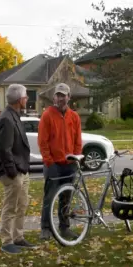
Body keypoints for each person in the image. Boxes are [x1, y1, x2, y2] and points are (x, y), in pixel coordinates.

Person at [0, 84, 33, 254]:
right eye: (25, 96)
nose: (27, 99)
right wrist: (12, 172)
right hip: (12, 171)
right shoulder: (6, 119)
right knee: (10, 207)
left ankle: (18, 237)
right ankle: (7, 241)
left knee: (22, 204)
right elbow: (4, 149)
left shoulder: (15, 115)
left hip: (21, 169)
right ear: (19, 99)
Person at [38, 83, 82, 240]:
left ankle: (64, 227)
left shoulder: (74, 117)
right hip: (53, 165)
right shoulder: (47, 115)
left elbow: (77, 141)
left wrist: (75, 158)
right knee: (49, 197)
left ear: (69, 97)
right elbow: (43, 142)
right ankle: (45, 228)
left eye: (63, 95)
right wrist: (49, 162)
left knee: (66, 198)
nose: (60, 98)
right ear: (54, 97)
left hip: (69, 165)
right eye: (57, 95)